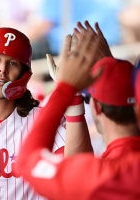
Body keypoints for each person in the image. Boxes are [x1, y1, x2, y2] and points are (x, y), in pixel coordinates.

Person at [0, 27, 91, 199]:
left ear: (24, 75)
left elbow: (79, 173)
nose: (2, 69)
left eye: (12, 63)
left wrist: (72, 92)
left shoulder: (44, 121)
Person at [15, 21, 140, 199]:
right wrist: (111, 68)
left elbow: (28, 160)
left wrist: (66, 88)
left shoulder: (107, 176)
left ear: (95, 107)